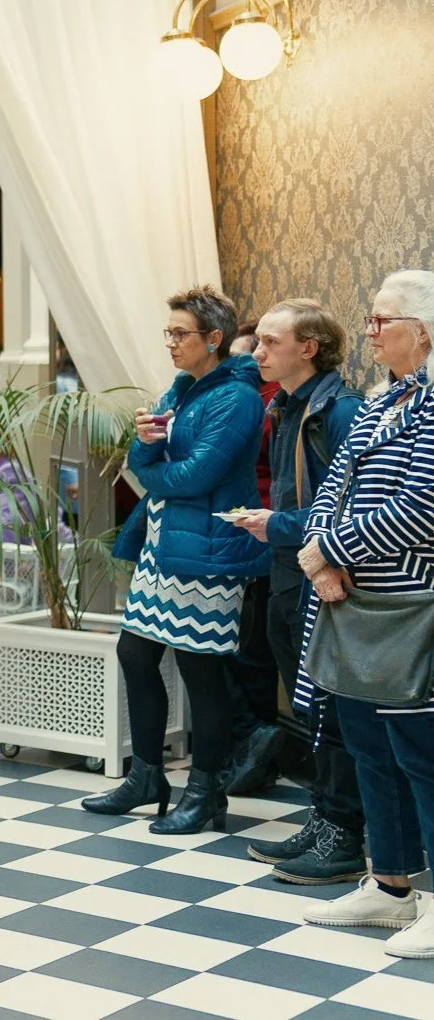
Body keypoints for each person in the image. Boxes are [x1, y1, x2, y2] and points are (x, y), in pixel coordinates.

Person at [83, 285, 269, 834]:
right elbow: (145, 455)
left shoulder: (237, 398)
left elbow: (195, 477)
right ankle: (147, 777)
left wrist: (154, 475)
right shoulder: (183, 388)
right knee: (135, 655)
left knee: (201, 672)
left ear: (214, 339)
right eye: (168, 332)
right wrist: (145, 445)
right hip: (166, 545)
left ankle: (206, 792)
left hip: (208, 552)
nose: (171, 343)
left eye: (180, 334)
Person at [294, 272, 434, 957]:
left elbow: (419, 509)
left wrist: (328, 550)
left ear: (423, 331)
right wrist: (317, 554)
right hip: (351, 600)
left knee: (421, 757)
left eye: (383, 321)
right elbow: (331, 486)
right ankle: (390, 886)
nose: (369, 333)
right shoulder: (381, 401)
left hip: (412, 602)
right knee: (368, 749)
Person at [229, 300, 362, 884]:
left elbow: (353, 505)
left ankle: (343, 837)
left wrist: (276, 524)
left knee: (332, 709)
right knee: (309, 709)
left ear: (309, 347)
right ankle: (324, 818)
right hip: (288, 574)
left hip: (321, 578)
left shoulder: (339, 411)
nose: (257, 352)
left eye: (269, 341)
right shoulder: (286, 407)